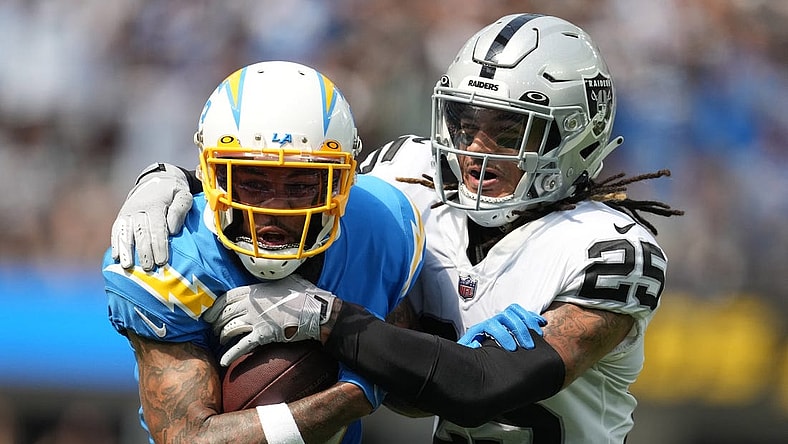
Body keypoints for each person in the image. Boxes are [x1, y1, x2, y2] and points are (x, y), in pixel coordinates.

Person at [111, 14, 685, 443]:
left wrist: (330, 321)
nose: (474, 153)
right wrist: (173, 177)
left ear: (576, 136)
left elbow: (486, 386)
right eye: (464, 123)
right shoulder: (408, 176)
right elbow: (299, 178)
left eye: (510, 133)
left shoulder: (612, 251)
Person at [103, 60, 437, 444]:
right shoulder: (171, 254)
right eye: (254, 182)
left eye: (300, 185)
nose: (274, 207)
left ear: (342, 183)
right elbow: (188, 438)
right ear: (214, 176)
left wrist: (361, 341)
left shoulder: (378, 228)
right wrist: (353, 394)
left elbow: (415, 398)